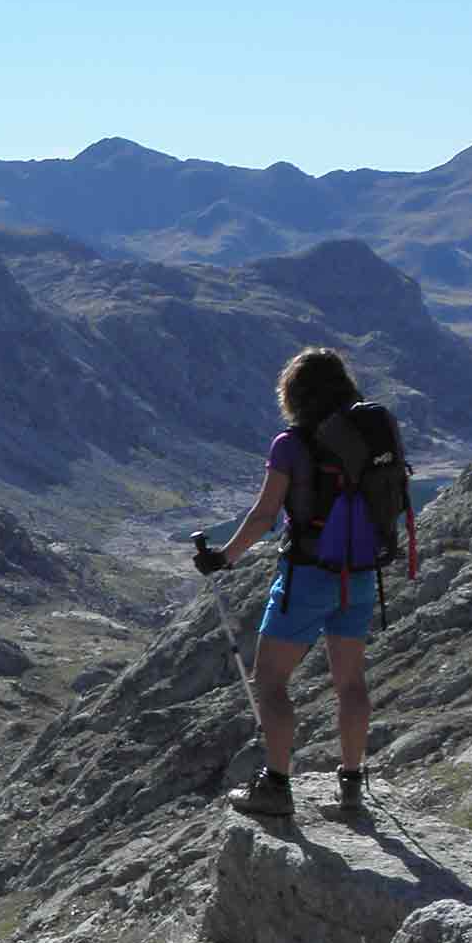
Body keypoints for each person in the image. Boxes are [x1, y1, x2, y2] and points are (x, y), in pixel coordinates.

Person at [192, 347, 375, 818]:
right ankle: (352, 783)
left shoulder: (291, 445)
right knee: (350, 681)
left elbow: (265, 515)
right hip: (358, 571)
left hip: (308, 574)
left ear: (293, 393)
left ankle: (276, 786)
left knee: (271, 680)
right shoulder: (369, 431)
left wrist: (224, 557)